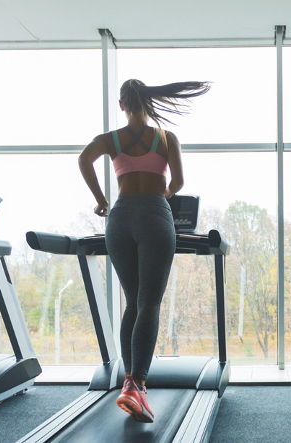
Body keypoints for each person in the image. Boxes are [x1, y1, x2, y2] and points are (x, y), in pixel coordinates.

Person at [78, 78, 210, 423]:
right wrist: (162, 194)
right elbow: (177, 183)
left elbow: (83, 160)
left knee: (133, 301)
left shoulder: (111, 139)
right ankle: (137, 385)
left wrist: (101, 200)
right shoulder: (166, 138)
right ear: (147, 102)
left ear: (121, 104)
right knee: (149, 302)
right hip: (154, 213)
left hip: (119, 217)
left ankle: (129, 382)